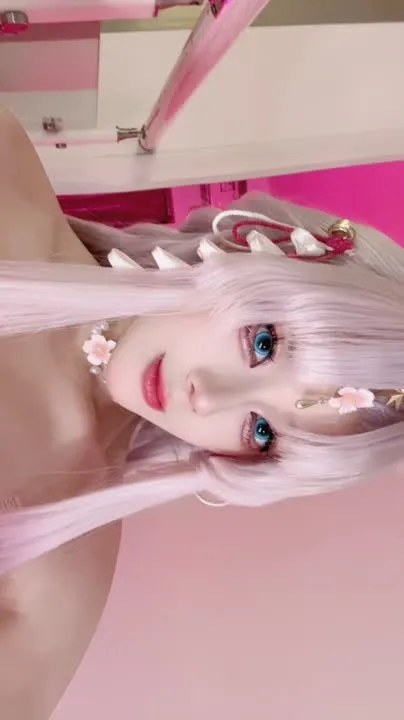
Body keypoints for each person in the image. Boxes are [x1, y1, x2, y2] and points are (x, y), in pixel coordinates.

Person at [1, 106, 404, 717]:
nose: (208, 396)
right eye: (262, 344)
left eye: (262, 432)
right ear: (255, 246)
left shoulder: (56, 567)